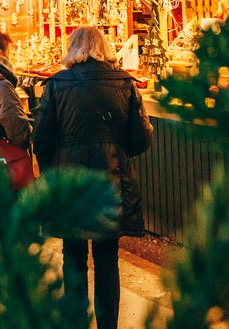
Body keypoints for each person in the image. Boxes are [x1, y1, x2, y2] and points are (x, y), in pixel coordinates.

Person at [32, 27, 153, 329]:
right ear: (105, 48)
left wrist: (53, 173)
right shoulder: (125, 83)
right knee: (107, 260)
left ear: (73, 49)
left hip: (70, 185)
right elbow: (140, 139)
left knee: (72, 256)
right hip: (111, 181)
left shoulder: (57, 85)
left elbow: (41, 139)